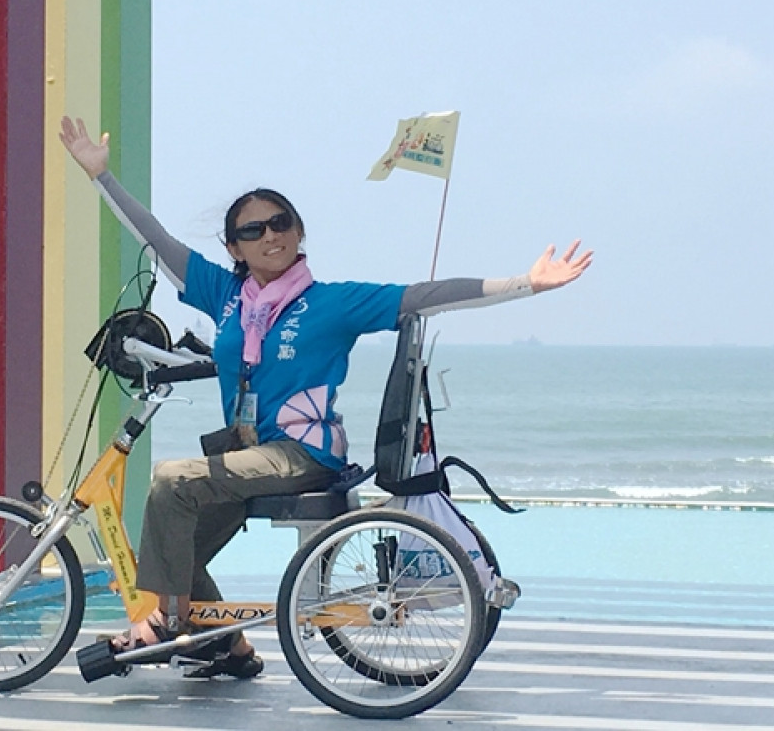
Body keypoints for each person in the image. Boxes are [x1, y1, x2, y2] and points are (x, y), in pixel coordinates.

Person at [59, 116, 592, 680]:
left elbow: (425, 295)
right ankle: (228, 648)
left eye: (280, 223)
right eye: (253, 230)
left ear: (299, 231)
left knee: (171, 478)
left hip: (303, 453)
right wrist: (101, 177)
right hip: (245, 454)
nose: (270, 235)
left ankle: (166, 624)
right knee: (174, 539)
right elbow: (156, 241)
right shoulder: (225, 295)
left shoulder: (332, 303)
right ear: (234, 247)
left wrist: (525, 283)